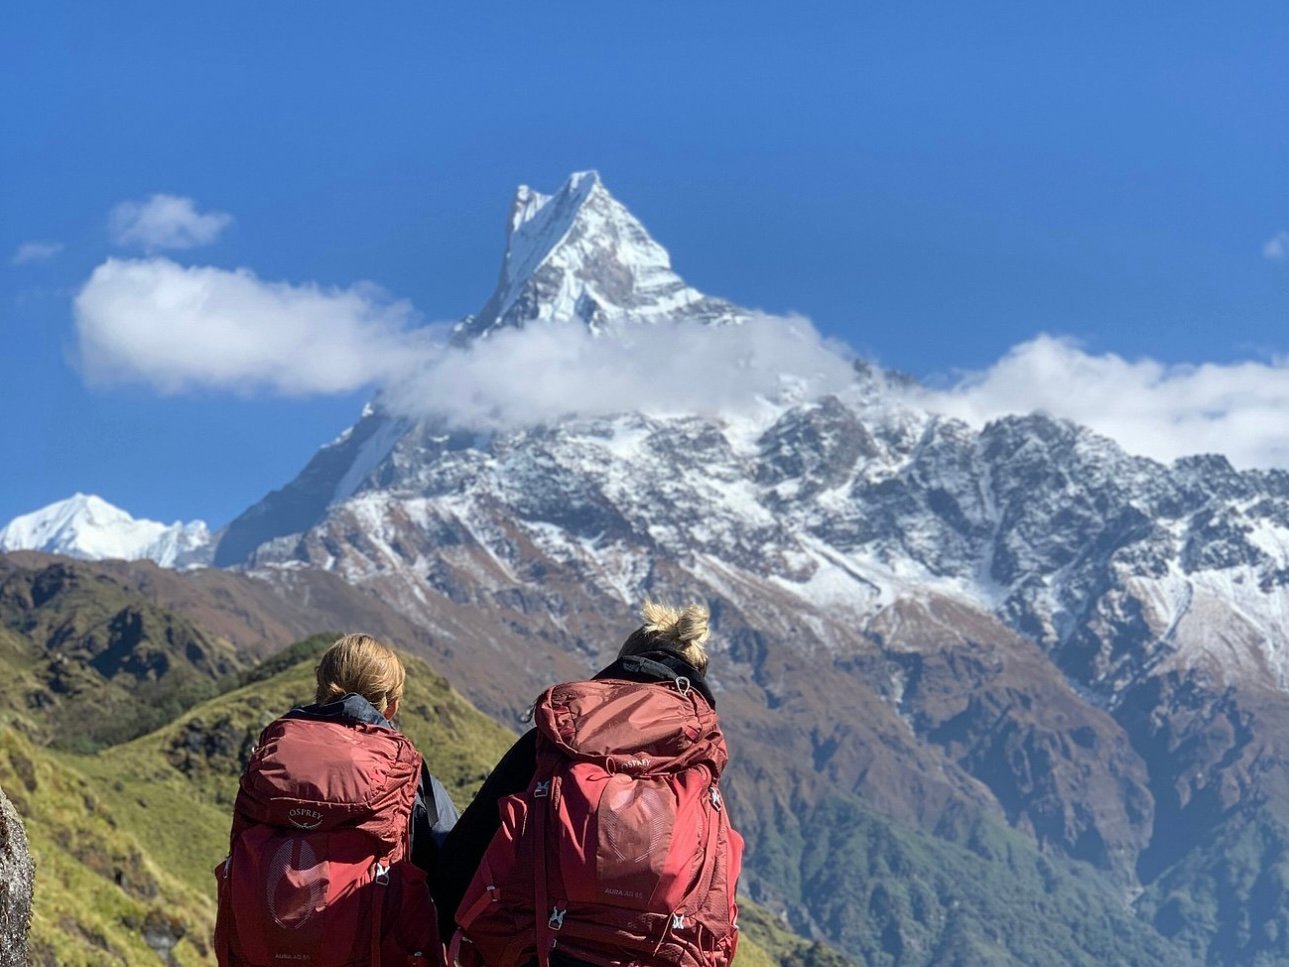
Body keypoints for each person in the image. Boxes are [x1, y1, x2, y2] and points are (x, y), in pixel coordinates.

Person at [436, 600, 742, 967]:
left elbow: (463, 856)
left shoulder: (560, 741)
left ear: (623, 665)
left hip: (542, 950)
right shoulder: (698, 762)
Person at [215, 633, 459, 967]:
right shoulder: (404, 774)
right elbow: (455, 867)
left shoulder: (272, 758)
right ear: (392, 705)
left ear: (321, 687)